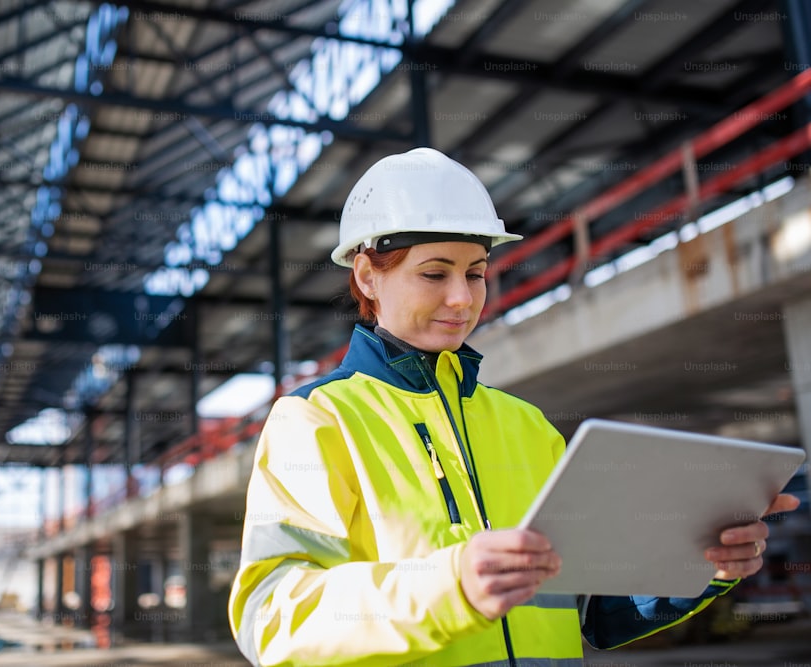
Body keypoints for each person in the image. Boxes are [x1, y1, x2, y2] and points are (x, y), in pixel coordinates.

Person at [227, 147, 798, 666]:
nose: (462, 298)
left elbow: (595, 608)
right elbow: (273, 618)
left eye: (475, 274)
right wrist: (453, 587)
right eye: (434, 273)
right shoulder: (317, 420)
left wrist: (703, 565)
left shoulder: (526, 425)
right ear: (367, 276)